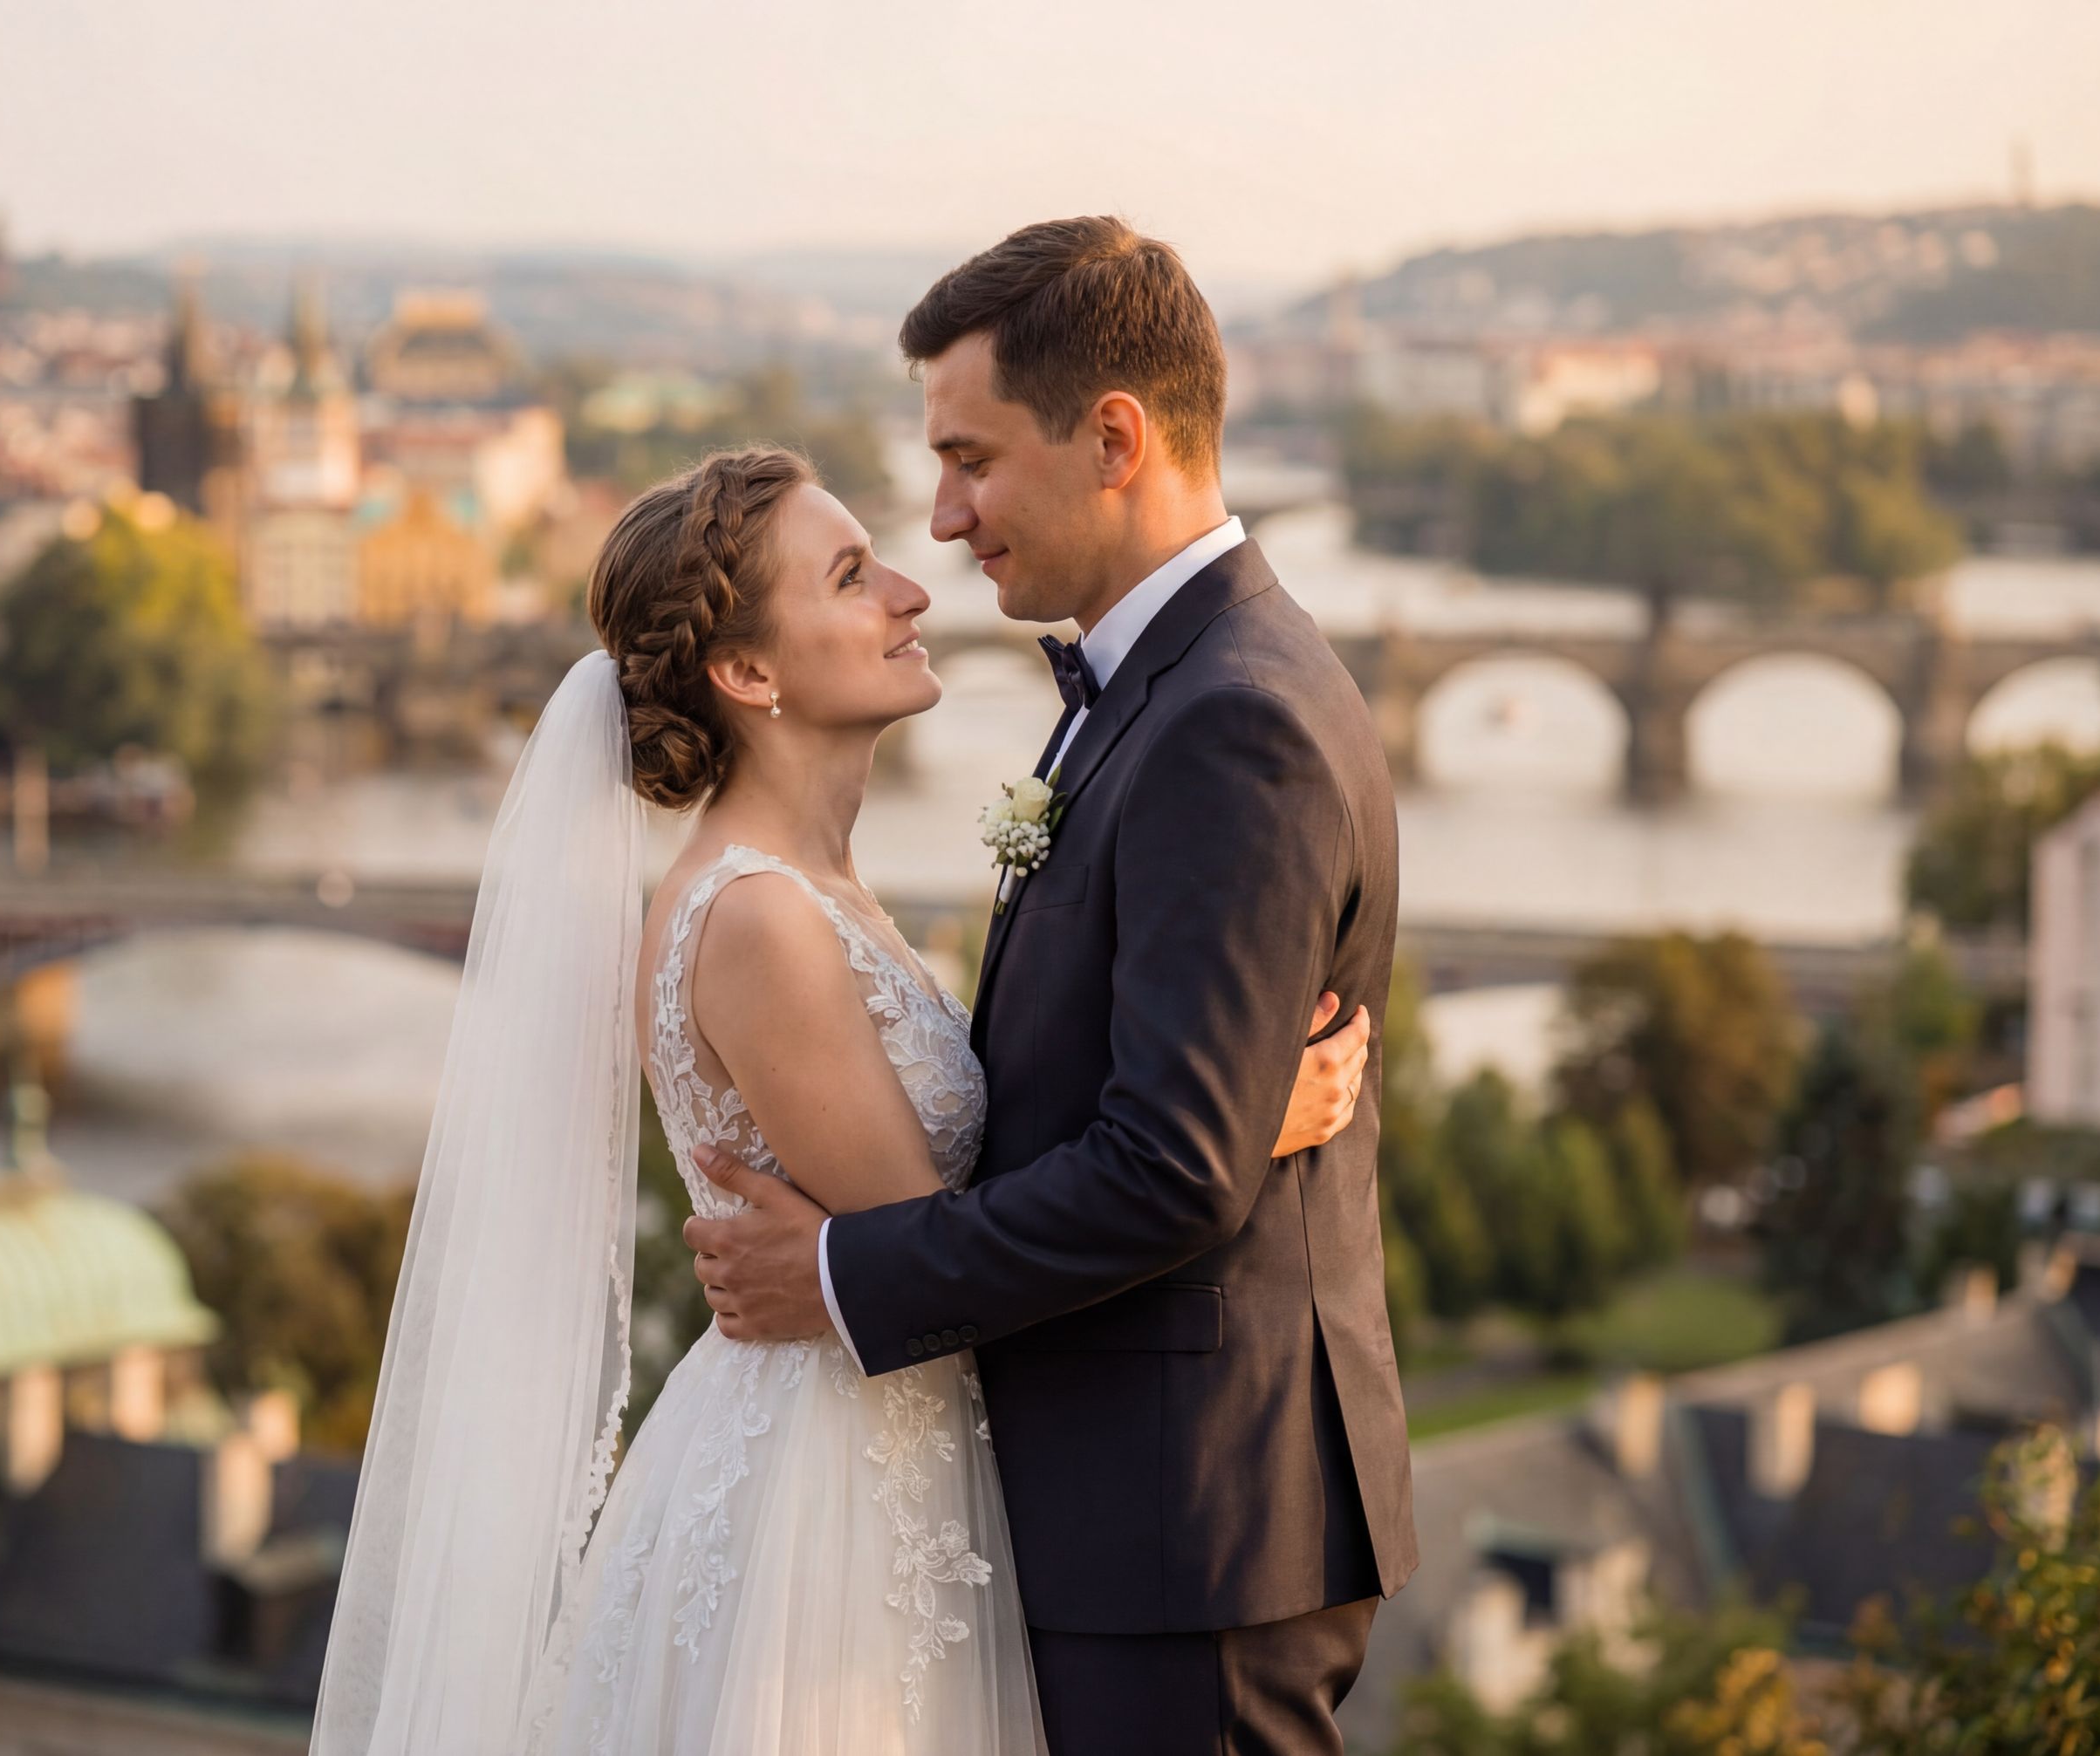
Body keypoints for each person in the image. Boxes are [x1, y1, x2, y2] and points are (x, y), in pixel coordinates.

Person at [306, 433, 1368, 1753]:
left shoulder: (813, 892)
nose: (912, 591)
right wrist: (1231, 1124)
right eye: (853, 575)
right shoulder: (756, 917)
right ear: (749, 671)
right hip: (830, 1504)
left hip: (888, 1457)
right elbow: (939, 1244)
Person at [683, 217, 1419, 1756]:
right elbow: (1166, 1123)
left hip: (1191, 1519)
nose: (941, 524)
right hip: (1133, 1507)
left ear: (1114, 438)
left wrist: (836, 1275)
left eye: (970, 459)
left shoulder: (1229, 722)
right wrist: (1234, 1118)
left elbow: (1168, 1168)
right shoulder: (1159, 686)